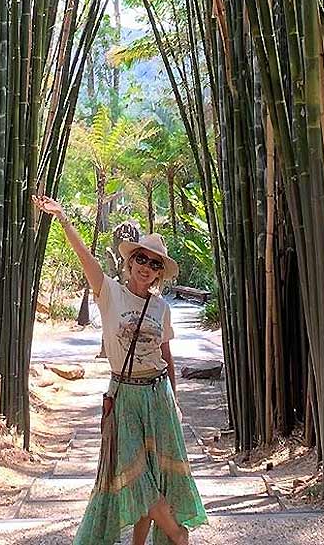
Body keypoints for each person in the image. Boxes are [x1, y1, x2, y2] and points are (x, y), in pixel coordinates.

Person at [33, 194, 207, 545]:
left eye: (154, 264)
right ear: (129, 262)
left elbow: (166, 355)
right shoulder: (109, 293)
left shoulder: (161, 309)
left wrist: (174, 399)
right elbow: (85, 259)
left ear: (160, 273)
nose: (146, 267)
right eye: (141, 259)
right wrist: (64, 218)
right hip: (125, 394)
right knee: (136, 475)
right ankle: (176, 532)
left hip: (158, 395)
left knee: (155, 475)